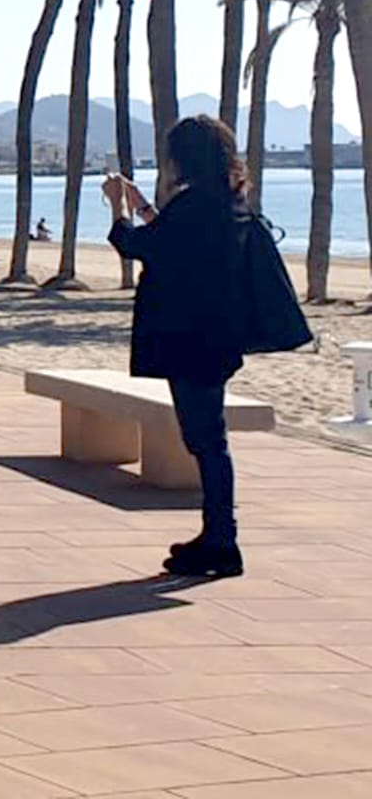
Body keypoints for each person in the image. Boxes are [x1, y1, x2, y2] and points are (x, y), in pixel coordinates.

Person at [104, 115, 282, 579]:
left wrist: (118, 209)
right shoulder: (227, 203)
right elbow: (174, 243)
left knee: (206, 441)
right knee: (208, 439)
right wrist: (145, 207)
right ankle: (217, 536)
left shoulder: (194, 206)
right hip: (219, 336)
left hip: (191, 338)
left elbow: (138, 247)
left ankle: (223, 541)